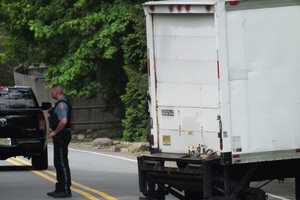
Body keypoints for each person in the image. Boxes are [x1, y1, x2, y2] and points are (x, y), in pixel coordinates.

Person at [47, 85, 72, 198]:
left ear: (57, 91)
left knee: (62, 162)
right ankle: (59, 188)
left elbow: (63, 121)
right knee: (58, 162)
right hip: (60, 136)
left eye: (52, 91)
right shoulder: (59, 103)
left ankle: (66, 190)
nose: (51, 93)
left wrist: (55, 132)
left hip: (62, 136)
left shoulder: (62, 104)